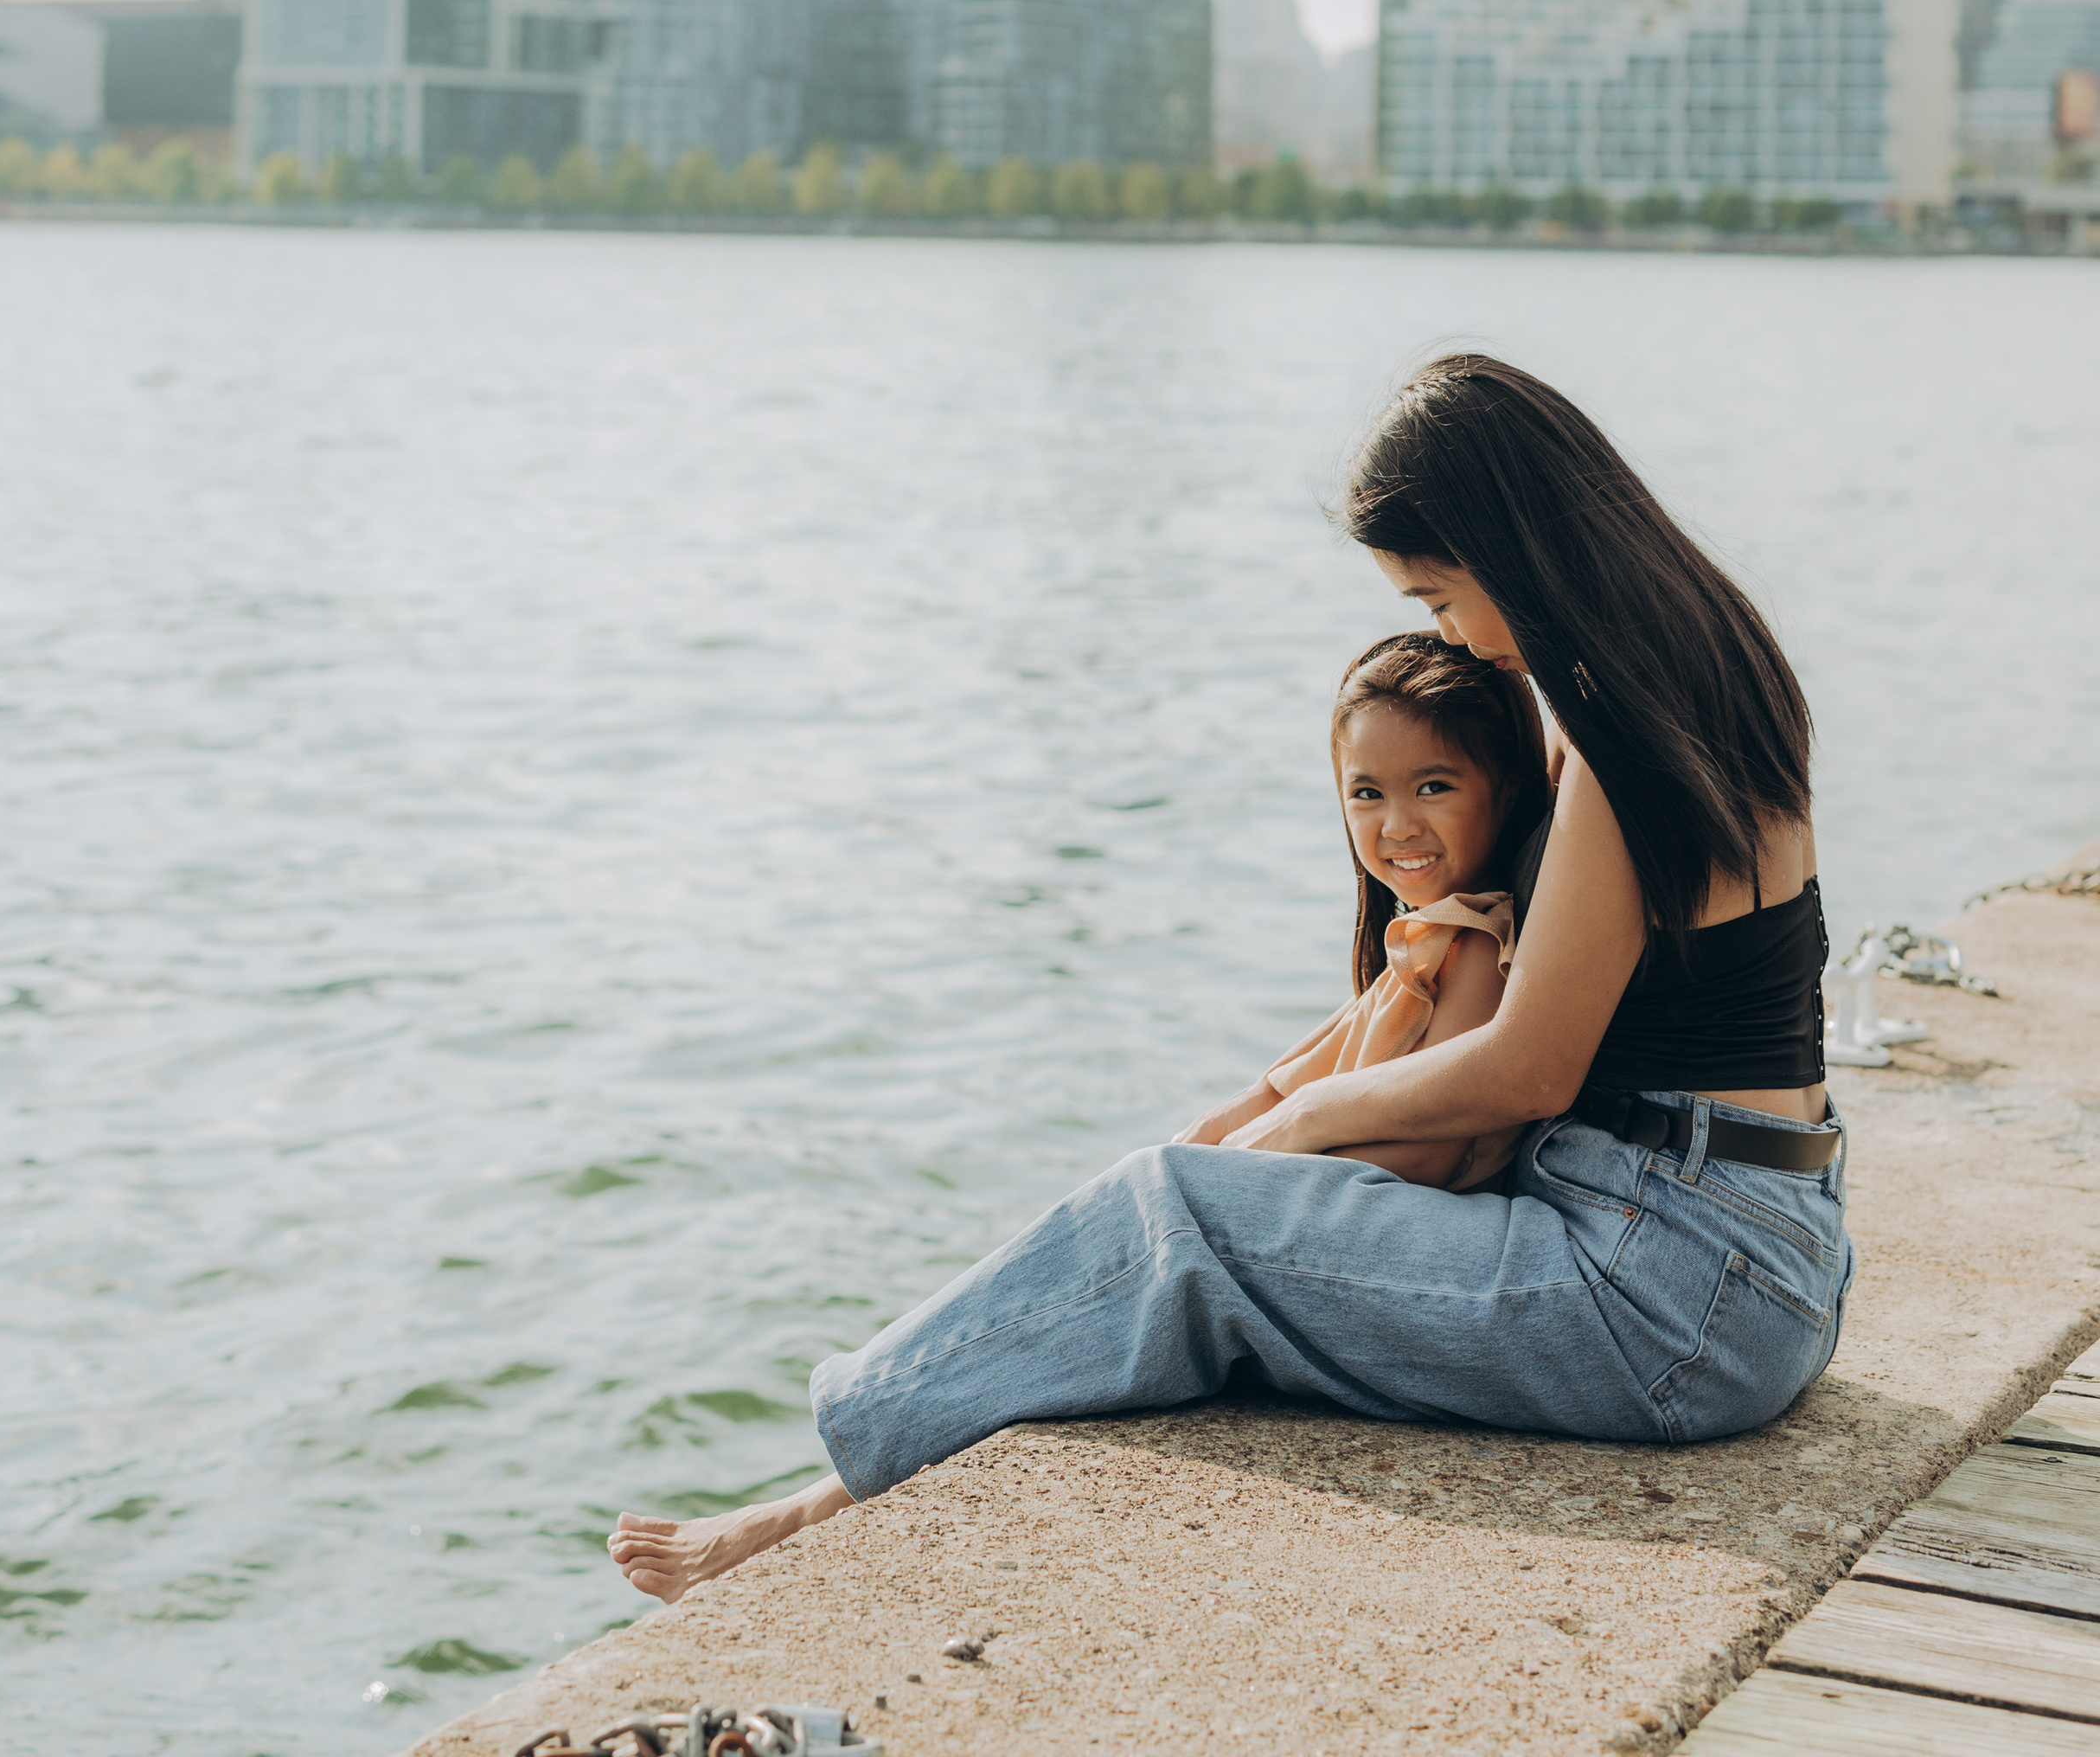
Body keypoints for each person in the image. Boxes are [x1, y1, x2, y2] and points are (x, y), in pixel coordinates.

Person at [610, 351, 1851, 1609]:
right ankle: (848, 1482)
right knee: (1205, 1211)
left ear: (1508, 547)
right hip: (1766, 1257)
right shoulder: (1720, 670)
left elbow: (1532, 1063)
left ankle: (821, 1504)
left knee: (1181, 1208)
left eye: (1439, 596)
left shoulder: (1614, 736)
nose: (1454, 639)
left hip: (1664, 1292)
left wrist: (1297, 1120)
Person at [1182, 627, 1550, 1191]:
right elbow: (1274, 1092)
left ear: (1505, 789)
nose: (1399, 826)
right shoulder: (1418, 947)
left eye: (1432, 787)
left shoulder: (1478, 947)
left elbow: (1430, 1156)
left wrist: (1256, 1177)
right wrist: (1187, 1158)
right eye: (1367, 794)